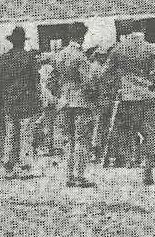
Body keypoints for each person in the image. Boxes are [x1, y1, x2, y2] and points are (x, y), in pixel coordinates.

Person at [106, 27, 155, 185]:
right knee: (150, 134)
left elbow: (106, 75)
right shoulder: (151, 50)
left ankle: (151, 173)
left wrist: (116, 90)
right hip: (148, 98)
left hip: (128, 99)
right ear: (143, 32)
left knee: (144, 135)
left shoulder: (118, 50)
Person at [0, 27, 42, 179]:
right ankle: (25, 165)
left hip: (8, 101)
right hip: (26, 101)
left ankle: (8, 165)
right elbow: (36, 81)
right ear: (23, 43)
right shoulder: (29, 59)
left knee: (10, 134)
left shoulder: (1, 59)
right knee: (26, 134)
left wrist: (2, 99)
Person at [52, 24, 97, 188]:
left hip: (64, 101)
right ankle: (79, 175)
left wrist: (60, 94)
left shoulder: (59, 56)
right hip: (81, 101)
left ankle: (69, 175)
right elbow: (88, 82)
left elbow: (52, 80)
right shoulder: (80, 57)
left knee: (68, 140)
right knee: (82, 140)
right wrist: (93, 98)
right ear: (82, 37)